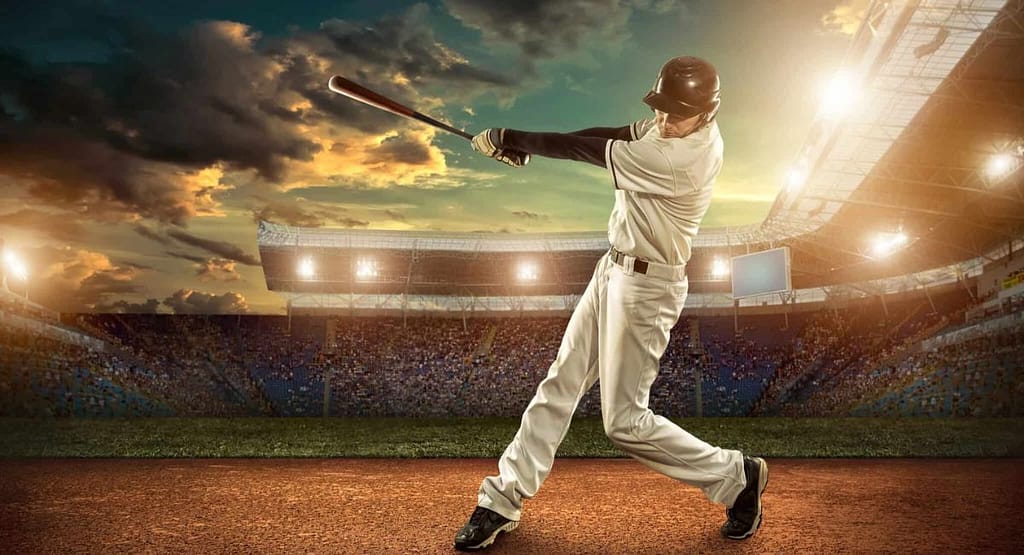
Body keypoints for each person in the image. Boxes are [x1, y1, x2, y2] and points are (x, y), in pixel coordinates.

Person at [454, 56, 768, 551]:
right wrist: (521, 145)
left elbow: (590, 151)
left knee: (624, 422)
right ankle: (502, 499)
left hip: (648, 288)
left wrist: (510, 136)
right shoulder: (665, 128)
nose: (663, 119)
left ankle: (735, 475)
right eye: (661, 107)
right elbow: (611, 134)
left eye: (677, 113)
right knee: (560, 382)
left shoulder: (684, 158)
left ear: (707, 113)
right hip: (612, 269)